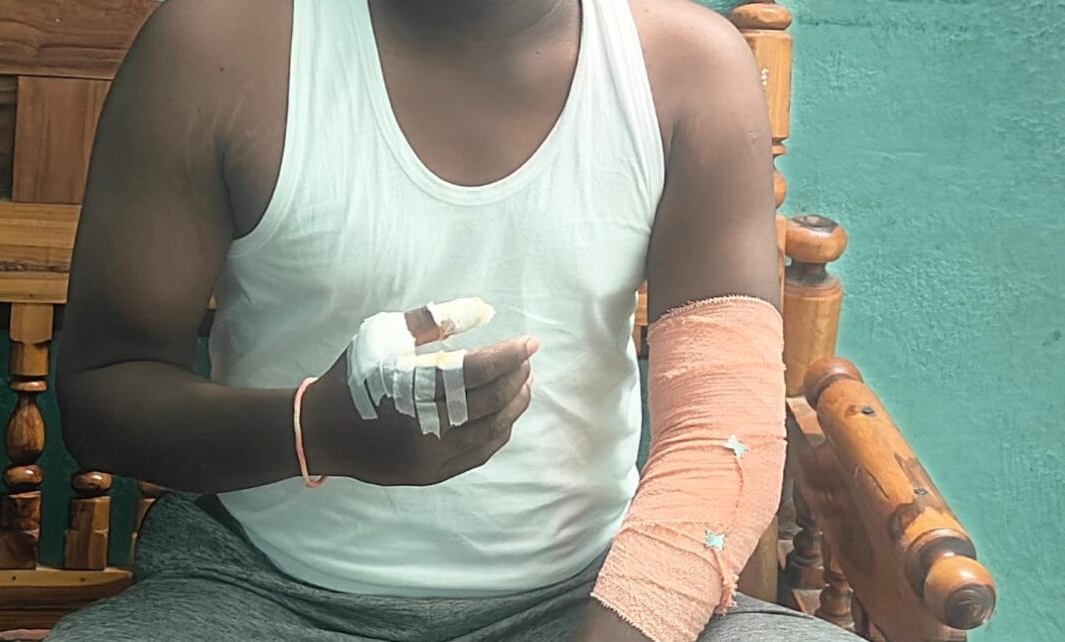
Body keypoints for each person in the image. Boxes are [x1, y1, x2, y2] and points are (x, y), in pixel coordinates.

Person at [50, 0, 862, 640]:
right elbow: (102, 397)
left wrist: (632, 619)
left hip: (594, 598)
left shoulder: (687, 70)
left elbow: (725, 433)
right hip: (261, 593)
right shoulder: (219, 48)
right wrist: (316, 431)